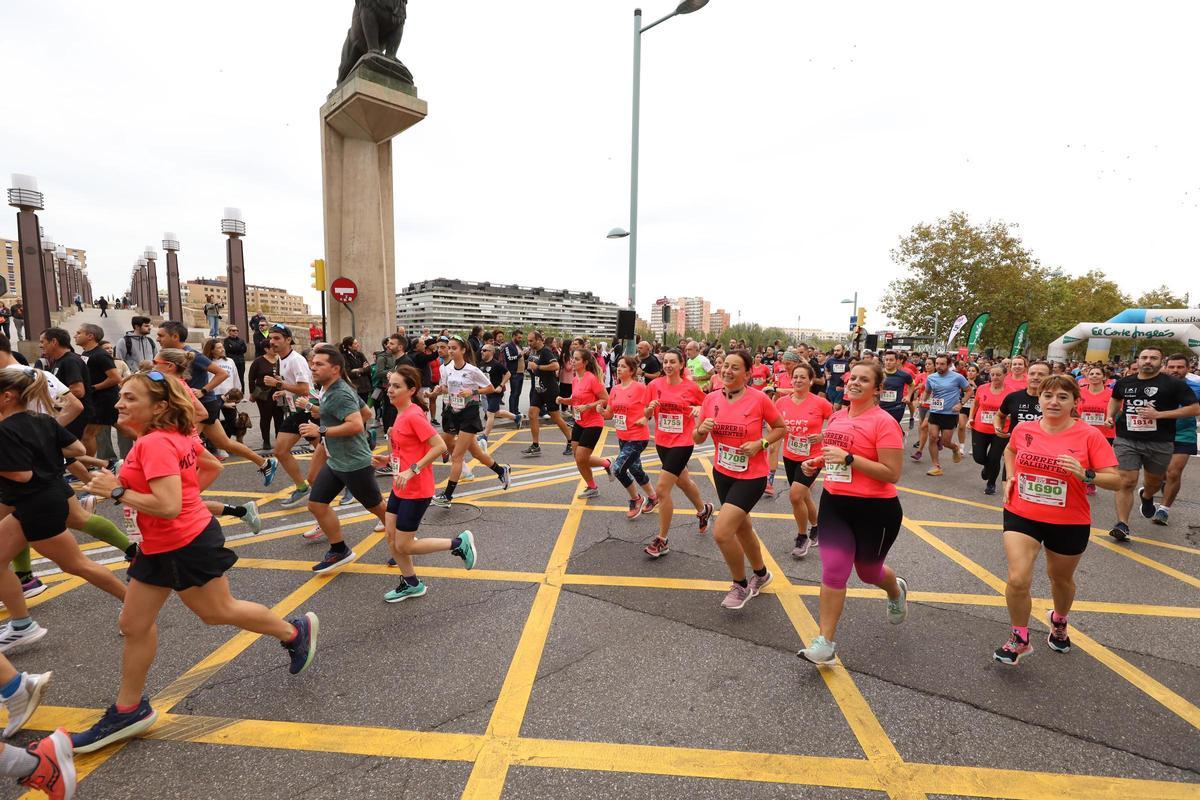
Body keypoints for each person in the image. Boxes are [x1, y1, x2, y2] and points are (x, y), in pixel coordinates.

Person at [73, 371, 317, 753]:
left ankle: (293, 632)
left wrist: (119, 490)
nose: (119, 403)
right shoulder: (174, 435)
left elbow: (169, 505)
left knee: (217, 611)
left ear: (160, 407)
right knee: (134, 623)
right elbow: (208, 469)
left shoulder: (154, 443)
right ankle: (129, 709)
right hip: (160, 543)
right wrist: (147, 493)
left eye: (130, 398)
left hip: (184, 543)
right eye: (120, 396)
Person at [992, 376, 1120, 665]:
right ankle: (1019, 637)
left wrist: (1085, 474)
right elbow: (1010, 449)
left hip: (1068, 520)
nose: (1053, 401)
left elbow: (1116, 480)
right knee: (1017, 578)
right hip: (1021, 512)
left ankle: (1059, 619)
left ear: (1076, 402)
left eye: (1062, 397)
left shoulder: (1089, 436)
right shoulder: (1024, 429)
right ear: (1039, 399)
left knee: (1060, 579)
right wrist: (1010, 477)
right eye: (1048, 395)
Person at [797, 363, 907, 665]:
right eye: (853, 377)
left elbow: (892, 473)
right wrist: (817, 462)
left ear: (877, 390)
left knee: (868, 572)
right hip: (836, 504)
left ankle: (895, 591)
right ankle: (825, 643)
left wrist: (849, 458)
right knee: (834, 569)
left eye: (864, 380)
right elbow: (835, 457)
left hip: (877, 510)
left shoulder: (884, 423)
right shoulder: (836, 417)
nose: (855, 383)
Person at [373, 365, 476, 601]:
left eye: (397, 386)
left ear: (412, 390)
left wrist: (412, 470)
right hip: (400, 487)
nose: (390, 390)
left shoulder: (413, 415)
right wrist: (387, 460)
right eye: (390, 385)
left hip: (416, 490)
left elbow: (440, 447)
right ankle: (411, 583)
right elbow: (407, 449)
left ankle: (459, 543)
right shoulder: (400, 413)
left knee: (405, 545)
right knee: (391, 537)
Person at [693, 351, 785, 609]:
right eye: (725, 366)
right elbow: (696, 438)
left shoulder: (759, 399)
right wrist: (701, 429)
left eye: (735, 368)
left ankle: (740, 584)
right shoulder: (710, 399)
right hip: (722, 472)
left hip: (752, 476)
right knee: (743, 527)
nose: (727, 371)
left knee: (722, 532)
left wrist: (761, 443)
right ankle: (762, 574)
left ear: (747, 374)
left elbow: (780, 428)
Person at [297, 345, 388, 573]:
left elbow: (356, 424)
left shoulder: (339, 392)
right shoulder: (330, 388)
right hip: (336, 460)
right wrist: (315, 411)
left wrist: (322, 431)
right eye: (313, 363)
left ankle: (407, 541)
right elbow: (365, 413)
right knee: (316, 504)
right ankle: (339, 550)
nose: (313, 367)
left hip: (353, 464)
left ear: (335, 368)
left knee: (378, 509)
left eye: (319, 364)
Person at [157, 323, 276, 481]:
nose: (158, 339)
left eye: (161, 335)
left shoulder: (192, 355)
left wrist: (203, 390)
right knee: (225, 443)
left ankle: (178, 484)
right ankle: (264, 463)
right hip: (196, 406)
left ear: (175, 337)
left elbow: (221, 374)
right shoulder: (168, 355)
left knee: (183, 443)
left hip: (203, 406)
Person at [1105, 346, 1200, 541]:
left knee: (1154, 482)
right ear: (1138, 360)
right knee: (1126, 481)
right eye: (1144, 357)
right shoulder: (1124, 382)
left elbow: (1195, 408)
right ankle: (1122, 524)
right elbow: (1115, 400)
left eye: (1153, 358)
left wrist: (1160, 415)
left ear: (1161, 362)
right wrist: (1110, 416)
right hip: (1126, 438)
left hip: (1160, 441)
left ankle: (1147, 496)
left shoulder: (1174, 384)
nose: (1148, 361)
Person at [643, 348, 712, 558]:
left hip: (683, 441)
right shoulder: (654, 385)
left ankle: (662, 540)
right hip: (662, 441)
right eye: (665, 362)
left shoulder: (690, 387)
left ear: (682, 365)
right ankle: (703, 510)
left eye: (673, 362)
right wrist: (649, 409)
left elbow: (706, 405)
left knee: (662, 490)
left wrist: (700, 409)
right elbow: (646, 413)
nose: (668, 365)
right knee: (682, 481)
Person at [430, 336, 511, 507]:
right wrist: (438, 390)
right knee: (477, 454)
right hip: (453, 413)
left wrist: (472, 391)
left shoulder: (473, 370)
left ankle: (447, 496)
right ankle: (501, 470)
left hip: (469, 414)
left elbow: (489, 388)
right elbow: (445, 388)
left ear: (463, 350)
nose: (450, 351)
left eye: (454, 348)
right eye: (449, 348)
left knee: (457, 456)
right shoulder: (447, 368)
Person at [776, 361, 833, 558]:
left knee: (795, 496)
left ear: (810, 381)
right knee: (803, 496)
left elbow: (837, 424)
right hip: (790, 455)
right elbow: (775, 426)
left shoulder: (820, 403)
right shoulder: (781, 402)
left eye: (803, 377)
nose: (798, 380)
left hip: (813, 458)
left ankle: (802, 537)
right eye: (795, 377)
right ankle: (817, 527)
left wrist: (823, 435)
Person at [260, 325, 316, 507]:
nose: (272, 341)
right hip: (297, 411)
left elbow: (305, 389)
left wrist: (279, 385)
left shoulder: (295, 360)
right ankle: (302, 488)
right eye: (271, 338)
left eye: (277, 338)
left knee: (331, 454)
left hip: (309, 411)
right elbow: (294, 386)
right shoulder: (282, 359)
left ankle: (350, 484)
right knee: (280, 451)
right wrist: (284, 392)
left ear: (288, 340)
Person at [601, 356, 658, 519]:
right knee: (635, 469)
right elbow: (610, 414)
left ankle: (636, 499)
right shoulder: (615, 389)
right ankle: (653, 498)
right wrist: (601, 412)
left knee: (618, 469)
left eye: (623, 366)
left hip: (638, 436)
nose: (618, 369)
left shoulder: (640, 388)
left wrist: (645, 418)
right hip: (622, 436)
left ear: (631, 371)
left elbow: (651, 407)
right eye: (618, 366)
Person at [1157, 354, 1200, 523]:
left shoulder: (1196, 387)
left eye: (1180, 367)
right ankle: (1157, 485)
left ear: (1188, 369)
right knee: (1159, 475)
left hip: (1184, 434)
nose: (1175, 370)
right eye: (1172, 367)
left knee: (1174, 472)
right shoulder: (1156, 385)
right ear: (1166, 367)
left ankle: (1164, 510)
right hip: (1159, 434)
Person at [566, 348, 611, 499]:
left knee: (581, 457)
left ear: (585, 362)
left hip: (593, 422)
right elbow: (576, 399)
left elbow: (605, 399)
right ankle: (606, 466)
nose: (573, 361)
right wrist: (563, 400)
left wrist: (588, 406)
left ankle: (594, 485)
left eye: (577, 359)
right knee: (578, 457)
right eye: (573, 358)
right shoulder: (574, 379)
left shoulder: (591, 378)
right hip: (579, 421)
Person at [521, 330, 572, 457]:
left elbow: (555, 366)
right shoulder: (534, 352)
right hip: (539, 389)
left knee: (555, 417)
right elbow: (533, 366)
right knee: (532, 413)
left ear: (539, 340)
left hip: (550, 389)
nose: (529, 343)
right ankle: (535, 445)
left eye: (531, 340)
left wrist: (538, 367)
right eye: (529, 340)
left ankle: (571, 440)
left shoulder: (546, 351)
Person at [75, 323, 121, 458]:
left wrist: (93, 388)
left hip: (103, 400)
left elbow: (115, 378)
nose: (75, 336)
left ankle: (89, 466)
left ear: (90, 336)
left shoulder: (100, 355)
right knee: (124, 428)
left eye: (79, 333)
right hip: (96, 400)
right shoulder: (86, 353)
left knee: (88, 435)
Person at [920, 354, 969, 476]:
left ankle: (955, 448)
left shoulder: (958, 377)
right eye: (937, 364)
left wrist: (961, 404)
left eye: (942, 364)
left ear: (948, 365)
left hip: (950, 413)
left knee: (945, 442)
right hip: (935, 411)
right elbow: (927, 391)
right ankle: (936, 466)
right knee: (933, 437)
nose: (939, 366)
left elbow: (969, 391)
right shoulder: (931, 378)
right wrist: (923, 399)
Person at [970, 365, 1009, 495]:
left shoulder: (1011, 392)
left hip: (1000, 430)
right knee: (978, 457)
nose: (995, 377)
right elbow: (975, 404)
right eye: (992, 374)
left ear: (1005, 375)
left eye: (998, 374)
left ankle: (991, 483)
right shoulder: (982, 388)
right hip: (980, 427)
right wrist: (971, 418)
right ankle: (987, 467)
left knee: (994, 458)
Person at [202, 338, 242, 448]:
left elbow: (235, 377)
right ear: (211, 350)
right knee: (213, 422)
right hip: (212, 397)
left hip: (229, 396)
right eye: (219, 347)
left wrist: (238, 393)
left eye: (222, 347)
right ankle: (213, 446)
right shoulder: (206, 362)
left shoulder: (230, 361)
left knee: (231, 422)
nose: (222, 349)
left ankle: (225, 443)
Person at [478, 344, 520, 439]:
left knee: (490, 413)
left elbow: (508, 374)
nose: (482, 352)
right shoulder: (481, 364)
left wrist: (501, 386)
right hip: (487, 392)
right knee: (496, 412)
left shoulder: (496, 364)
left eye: (484, 350)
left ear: (491, 352)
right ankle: (517, 418)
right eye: (481, 350)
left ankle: (485, 436)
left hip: (496, 393)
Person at [247, 346, 283, 451]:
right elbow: (251, 378)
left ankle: (279, 439)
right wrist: (252, 393)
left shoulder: (280, 360)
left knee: (279, 417)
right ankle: (266, 441)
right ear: (266, 349)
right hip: (263, 395)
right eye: (273, 348)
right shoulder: (258, 361)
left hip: (278, 392)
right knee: (265, 417)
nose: (276, 349)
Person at [878, 350, 914, 425]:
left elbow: (912, 385)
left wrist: (908, 396)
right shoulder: (878, 374)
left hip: (896, 407)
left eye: (891, 360)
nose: (888, 362)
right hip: (880, 407)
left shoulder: (904, 375)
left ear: (897, 361)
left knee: (892, 427)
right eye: (886, 360)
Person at [339, 337, 373, 407]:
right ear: (349, 346)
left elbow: (369, 368)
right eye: (355, 343)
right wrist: (362, 369)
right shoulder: (344, 357)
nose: (358, 345)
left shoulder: (360, 355)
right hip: (355, 387)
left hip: (365, 387)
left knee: (365, 407)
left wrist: (358, 370)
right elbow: (348, 373)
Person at [502, 330, 526, 417]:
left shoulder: (519, 346)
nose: (520, 339)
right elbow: (509, 358)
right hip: (514, 373)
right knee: (514, 393)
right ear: (514, 336)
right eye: (519, 337)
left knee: (518, 393)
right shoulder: (508, 346)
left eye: (521, 338)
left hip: (521, 372)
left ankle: (516, 411)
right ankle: (512, 412)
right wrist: (520, 355)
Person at [823, 344, 851, 409]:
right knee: (832, 407)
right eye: (835, 351)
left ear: (843, 351)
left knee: (836, 406)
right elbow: (826, 369)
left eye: (838, 350)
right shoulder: (830, 360)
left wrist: (846, 376)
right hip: (832, 387)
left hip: (842, 388)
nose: (835, 352)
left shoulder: (848, 361)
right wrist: (827, 375)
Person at [222, 325, 248, 389]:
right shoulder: (226, 341)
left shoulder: (241, 340)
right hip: (231, 362)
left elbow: (244, 350)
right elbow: (228, 349)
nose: (236, 332)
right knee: (231, 378)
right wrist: (238, 348)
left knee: (240, 378)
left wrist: (234, 347)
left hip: (240, 362)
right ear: (229, 332)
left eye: (237, 330)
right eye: (233, 330)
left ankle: (241, 393)